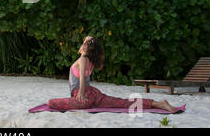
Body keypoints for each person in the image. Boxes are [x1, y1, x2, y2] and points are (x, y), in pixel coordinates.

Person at [48, 36, 178, 113]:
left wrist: (80, 94)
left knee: (51, 103)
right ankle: (157, 103)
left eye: (84, 43)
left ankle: (158, 104)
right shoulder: (90, 60)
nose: (82, 44)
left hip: (84, 94)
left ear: (85, 49)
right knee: (121, 102)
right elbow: (89, 38)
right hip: (93, 94)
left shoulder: (83, 59)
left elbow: (82, 78)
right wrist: (91, 42)